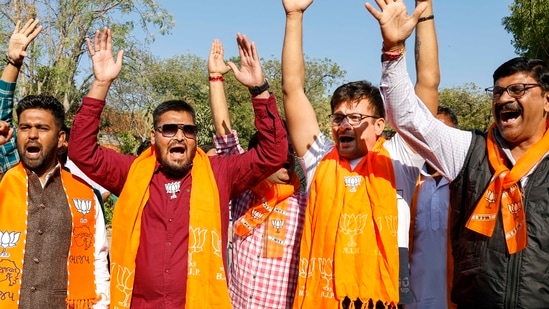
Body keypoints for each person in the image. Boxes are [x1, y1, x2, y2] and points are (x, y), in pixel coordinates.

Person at [68, 28, 288, 308]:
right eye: (169, 129)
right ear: (153, 136)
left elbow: (273, 153)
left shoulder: (219, 173)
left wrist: (259, 90)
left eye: (189, 130)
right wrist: (100, 84)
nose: (180, 136)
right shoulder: (132, 172)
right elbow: (82, 151)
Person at [368, 0, 549, 307]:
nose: (504, 98)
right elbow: (410, 118)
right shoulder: (470, 151)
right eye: (497, 91)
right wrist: (393, 50)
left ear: (546, 99)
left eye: (518, 90)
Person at [281, 0, 426, 307]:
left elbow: (428, 86)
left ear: (379, 124)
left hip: (382, 300)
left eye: (356, 118)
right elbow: (293, 90)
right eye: (338, 118)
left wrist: (423, 16)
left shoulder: (401, 159)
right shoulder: (321, 158)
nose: (345, 125)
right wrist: (294, 16)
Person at [0, 19, 110, 309]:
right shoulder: (5, 180)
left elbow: (98, 261)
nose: (32, 134)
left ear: (61, 139)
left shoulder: (85, 194)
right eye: (24, 128)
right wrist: (13, 63)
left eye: (42, 128)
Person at [207, 38, 307, 308]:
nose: (286, 161)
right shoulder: (243, 192)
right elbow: (224, 136)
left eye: (289, 155)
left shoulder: (306, 205)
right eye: (277, 156)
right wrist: (216, 78)